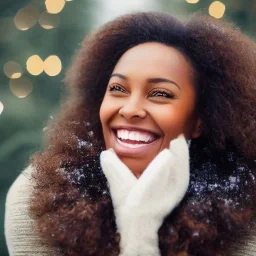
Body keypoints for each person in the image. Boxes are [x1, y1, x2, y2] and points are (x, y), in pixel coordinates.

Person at [4, 11, 256, 256]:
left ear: (201, 120)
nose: (131, 109)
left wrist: (141, 233)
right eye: (118, 89)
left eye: (160, 94)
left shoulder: (247, 218)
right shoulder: (34, 197)